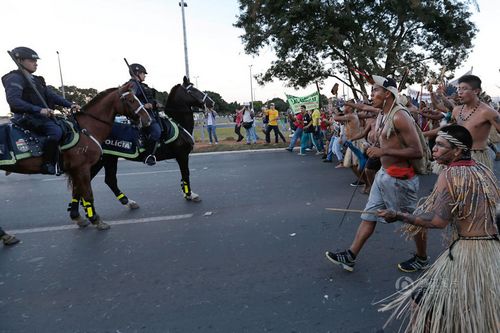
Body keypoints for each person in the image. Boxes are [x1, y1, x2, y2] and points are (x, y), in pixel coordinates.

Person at [377, 125, 499, 333]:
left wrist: (399, 215)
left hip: (469, 255)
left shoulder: (450, 174)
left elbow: (437, 221)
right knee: (472, 309)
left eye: (441, 145)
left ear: (458, 150)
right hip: (493, 252)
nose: (434, 149)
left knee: (422, 302)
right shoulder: (483, 170)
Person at [325, 75, 425, 272]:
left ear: (387, 94)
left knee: (413, 221)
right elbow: (386, 141)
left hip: (401, 179)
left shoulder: (400, 116)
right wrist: (375, 146)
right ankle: (351, 255)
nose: (371, 95)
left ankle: (422, 258)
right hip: (384, 175)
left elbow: (417, 151)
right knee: (368, 215)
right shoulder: (381, 115)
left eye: (375, 91)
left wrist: (383, 151)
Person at [2, 46, 80, 175]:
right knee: (55, 131)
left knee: (67, 126)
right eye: (31, 61)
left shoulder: (36, 80)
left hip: (40, 116)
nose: (35, 63)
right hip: (26, 117)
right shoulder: (14, 78)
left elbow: (51, 95)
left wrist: (70, 104)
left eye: (36, 61)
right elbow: (14, 101)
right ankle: (48, 164)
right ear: (20, 60)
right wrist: (39, 110)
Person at [128, 63, 161, 165]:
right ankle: (147, 155)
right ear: (137, 73)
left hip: (152, 113)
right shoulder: (132, 85)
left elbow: (148, 98)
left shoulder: (142, 86)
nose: (145, 75)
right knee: (156, 131)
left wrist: (155, 103)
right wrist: (144, 105)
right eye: (143, 73)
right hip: (142, 116)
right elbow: (130, 100)